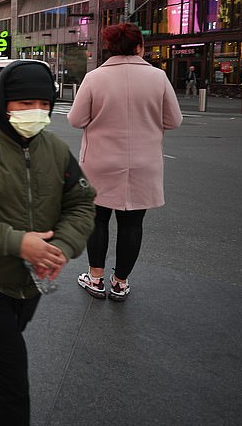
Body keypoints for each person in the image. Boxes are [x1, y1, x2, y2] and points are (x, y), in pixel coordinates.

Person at [0, 60, 95, 425]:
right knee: (11, 364)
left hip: (34, 278)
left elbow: (82, 202)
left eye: (43, 104)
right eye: (25, 104)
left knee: (7, 333)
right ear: (4, 102)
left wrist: (62, 247)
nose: (36, 112)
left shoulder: (55, 150)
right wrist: (19, 243)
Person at [68, 22, 182, 303]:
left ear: (110, 48)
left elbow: (76, 119)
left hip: (100, 161)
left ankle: (95, 279)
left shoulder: (95, 78)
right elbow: (174, 120)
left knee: (97, 219)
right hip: (144, 162)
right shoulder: (158, 77)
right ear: (139, 47)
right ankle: (120, 283)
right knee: (132, 224)